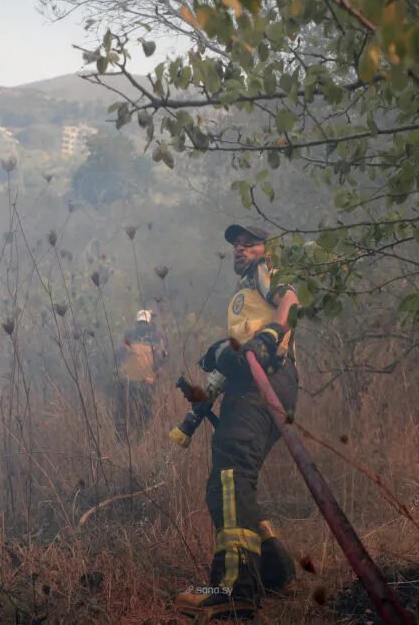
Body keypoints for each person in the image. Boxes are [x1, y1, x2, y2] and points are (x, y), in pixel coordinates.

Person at [173, 224, 299, 620]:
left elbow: (291, 302)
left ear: (266, 249)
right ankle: (273, 570)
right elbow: (235, 356)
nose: (240, 250)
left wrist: (272, 335)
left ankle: (232, 588)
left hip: (265, 383)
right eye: (236, 245)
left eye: (249, 244)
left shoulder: (268, 273)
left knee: (230, 478)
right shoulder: (240, 296)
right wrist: (200, 401)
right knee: (225, 484)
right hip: (245, 387)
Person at [116, 309, 166, 437]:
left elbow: (162, 356)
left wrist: (160, 367)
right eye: (140, 323)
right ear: (136, 324)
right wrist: (123, 350)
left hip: (148, 381)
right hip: (129, 381)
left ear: (149, 324)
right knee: (128, 411)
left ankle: (142, 435)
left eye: (145, 323)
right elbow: (119, 354)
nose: (142, 326)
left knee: (145, 410)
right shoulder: (130, 336)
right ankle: (125, 436)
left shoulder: (155, 338)